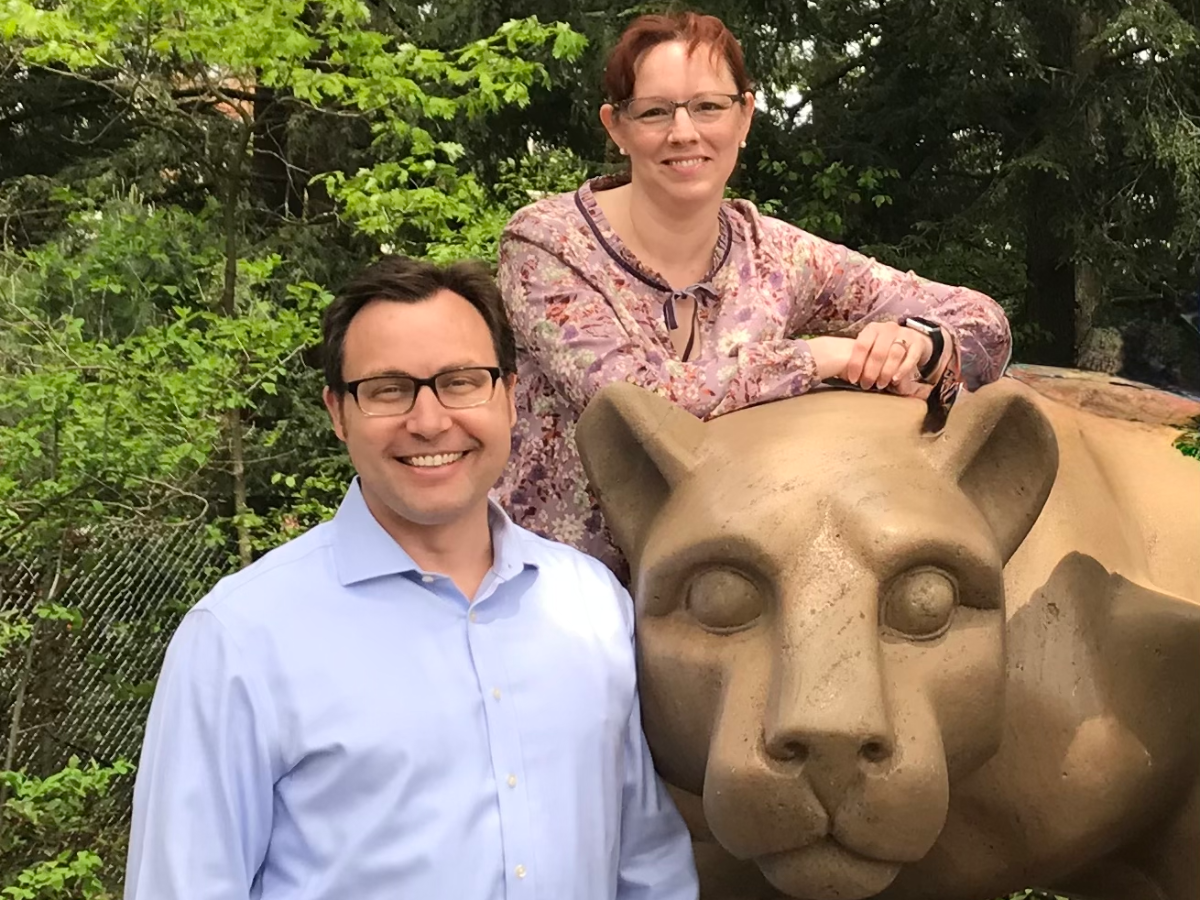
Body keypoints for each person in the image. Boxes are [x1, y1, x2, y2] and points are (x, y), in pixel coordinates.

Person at [124, 256, 699, 900]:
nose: (428, 421)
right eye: (388, 389)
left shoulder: (591, 604)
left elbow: (647, 865)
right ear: (338, 413)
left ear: (510, 397)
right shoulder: (240, 639)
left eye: (460, 382)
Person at [495, 11, 1013, 575]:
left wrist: (922, 345)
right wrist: (822, 358)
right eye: (655, 111)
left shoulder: (777, 255)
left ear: (745, 115)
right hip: (560, 592)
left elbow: (983, 322)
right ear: (616, 127)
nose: (683, 132)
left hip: (730, 589)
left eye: (708, 107)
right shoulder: (547, 244)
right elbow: (635, 401)